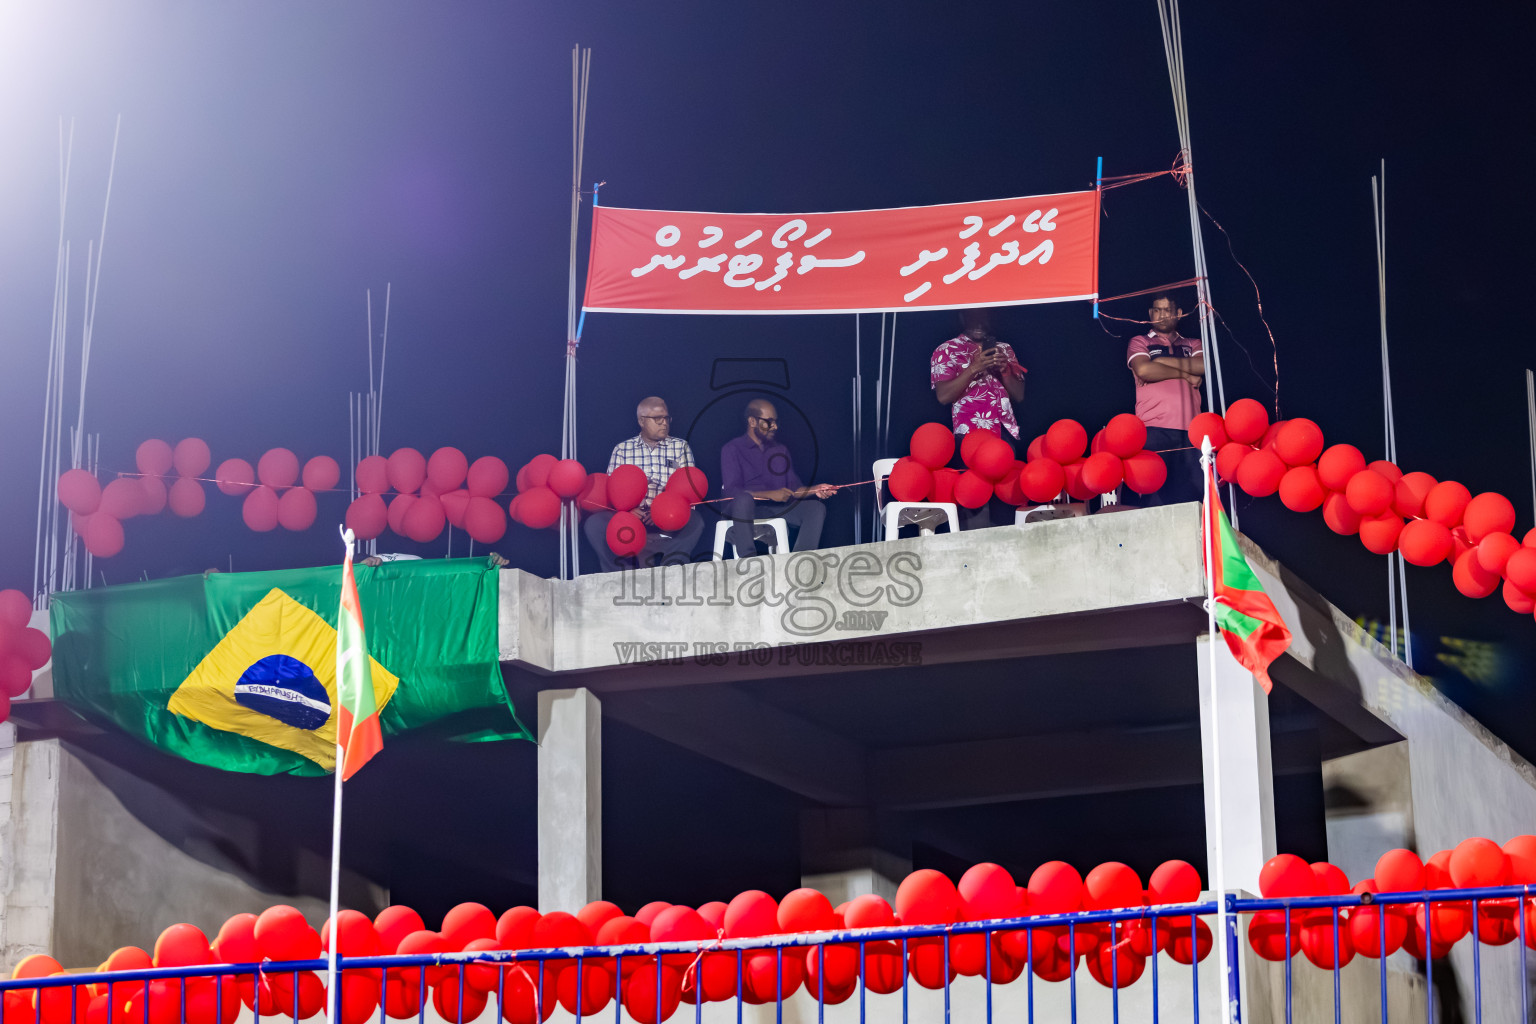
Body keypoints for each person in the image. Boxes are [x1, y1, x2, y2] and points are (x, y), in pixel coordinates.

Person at [583, 396, 705, 572]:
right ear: (641, 421)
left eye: (667, 418)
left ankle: (671, 568)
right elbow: (612, 491)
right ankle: (618, 572)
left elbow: (690, 490)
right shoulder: (622, 449)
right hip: (633, 518)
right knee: (595, 524)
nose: (664, 423)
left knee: (695, 521)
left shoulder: (680, 447)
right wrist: (626, 512)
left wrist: (662, 511)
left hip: (668, 518)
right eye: (658, 419)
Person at [930, 308, 1026, 528]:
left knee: (1007, 500)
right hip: (969, 434)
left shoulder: (1005, 349)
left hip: (1004, 432)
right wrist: (974, 367)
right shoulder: (946, 350)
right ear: (962, 318)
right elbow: (944, 396)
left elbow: (1019, 395)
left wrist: (1005, 371)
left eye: (984, 317)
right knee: (976, 500)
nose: (979, 323)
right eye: (973, 317)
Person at [720, 399, 836, 555]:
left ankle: (800, 562)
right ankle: (748, 561)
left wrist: (816, 489)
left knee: (816, 508)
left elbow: (794, 490)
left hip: (775, 510)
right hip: (744, 512)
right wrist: (769, 494)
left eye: (776, 422)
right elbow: (732, 492)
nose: (775, 426)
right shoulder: (732, 449)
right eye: (769, 422)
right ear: (752, 421)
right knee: (743, 500)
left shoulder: (780, 450)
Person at [1126, 293, 1203, 505]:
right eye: (1157, 310)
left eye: (1166, 310)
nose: (1161, 315)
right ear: (1150, 314)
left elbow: (1202, 366)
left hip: (1192, 431)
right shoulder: (1139, 341)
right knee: (1154, 498)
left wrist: (1160, 362)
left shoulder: (1192, 343)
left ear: (1178, 314)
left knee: (1193, 499)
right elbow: (1144, 369)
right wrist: (1186, 374)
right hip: (1153, 430)